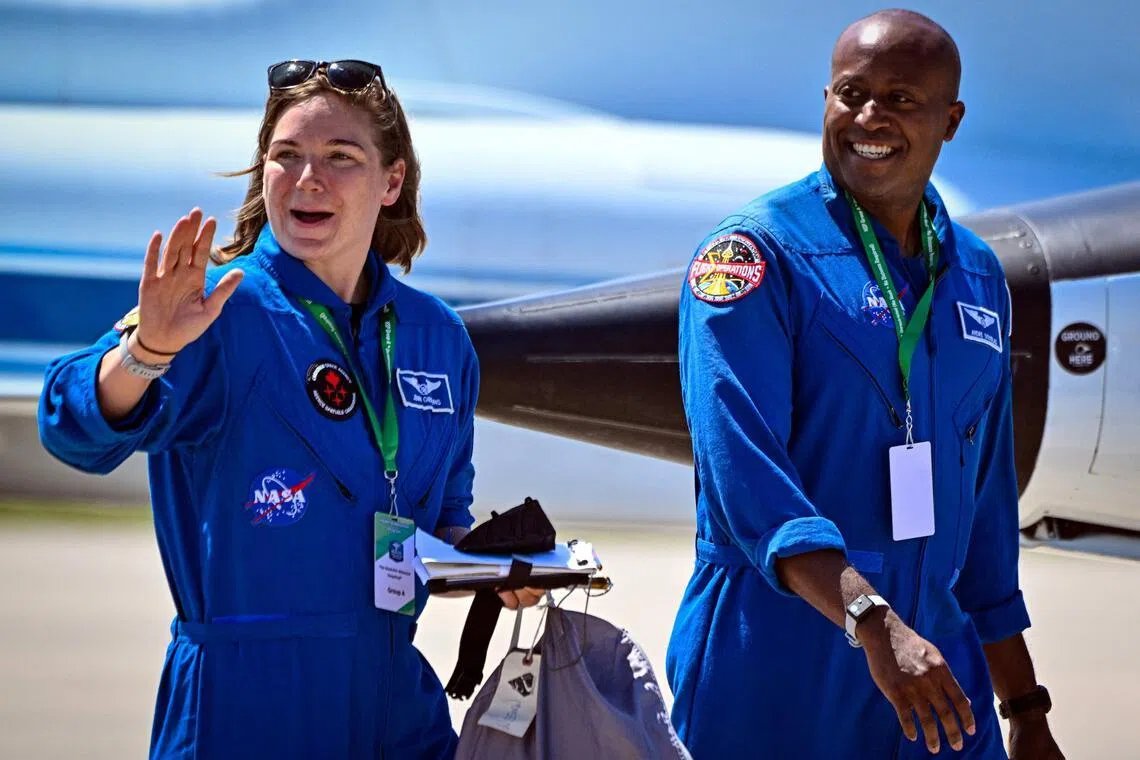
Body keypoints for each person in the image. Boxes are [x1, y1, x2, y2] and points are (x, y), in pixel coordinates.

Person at [37, 59, 542, 759]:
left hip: (395, 704)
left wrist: (505, 568)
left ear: (392, 181)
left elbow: (439, 528)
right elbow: (70, 429)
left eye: (341, 157)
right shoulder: (215, 308)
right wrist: (148, 351)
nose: (309, 178)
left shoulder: (436, 337)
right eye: (287, 156)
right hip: (245, 706)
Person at [666, 11, 1064, 759]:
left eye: (901, 99)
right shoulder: (752, 256)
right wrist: (874, 625)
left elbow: (984, 511)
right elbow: (746, 479)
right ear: (825, 99)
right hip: (776, 674)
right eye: (851, 93)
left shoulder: (978, 274)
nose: (869, 117)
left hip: (936, 680)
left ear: (951, 120)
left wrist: (1025, 706)